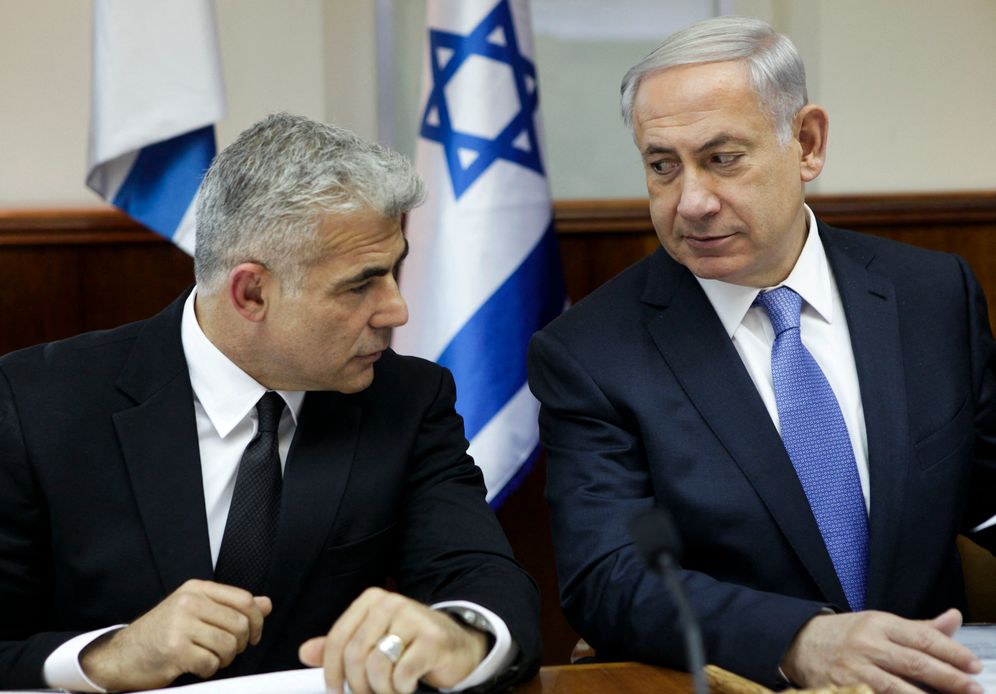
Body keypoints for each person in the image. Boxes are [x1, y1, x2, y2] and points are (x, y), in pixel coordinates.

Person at [528, 15, 996, 694]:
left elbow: (986, 491)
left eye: (722, 159)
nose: (690, 202)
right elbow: (609, 579)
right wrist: (798, 639)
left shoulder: (930, 294)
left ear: (805, 144)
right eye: (662, 166)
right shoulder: (593, 352)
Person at [0, 113, 541, 693]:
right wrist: (106, 657)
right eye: (361, 285)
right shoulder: (39, 403)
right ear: (251, 292)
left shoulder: (407, 401)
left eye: (394, 271)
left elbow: (484, 580)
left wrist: (458, 636)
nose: (396, 310)